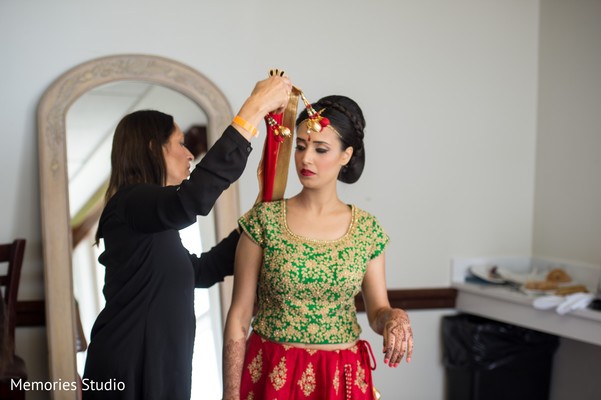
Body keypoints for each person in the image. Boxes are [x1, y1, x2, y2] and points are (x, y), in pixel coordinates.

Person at [81, 75, 292, 400]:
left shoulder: (150, 221)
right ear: (154, 148)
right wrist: (254, 108)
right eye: (180, 143)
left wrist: (254, 228)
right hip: (130, 367)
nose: (189, 154)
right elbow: (191, 201)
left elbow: (199, 272)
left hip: (158, 363)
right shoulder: (130, 201)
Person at [222, 95, 414, 400]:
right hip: (273, 373)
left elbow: (378, 311)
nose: (305, 158)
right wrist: (230, 395)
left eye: (320, 149)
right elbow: (239, 315)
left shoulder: (367, 230)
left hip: (341, 375)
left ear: (346, 155)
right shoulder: (265, 221)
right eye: (300, 146)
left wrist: (394, 317)